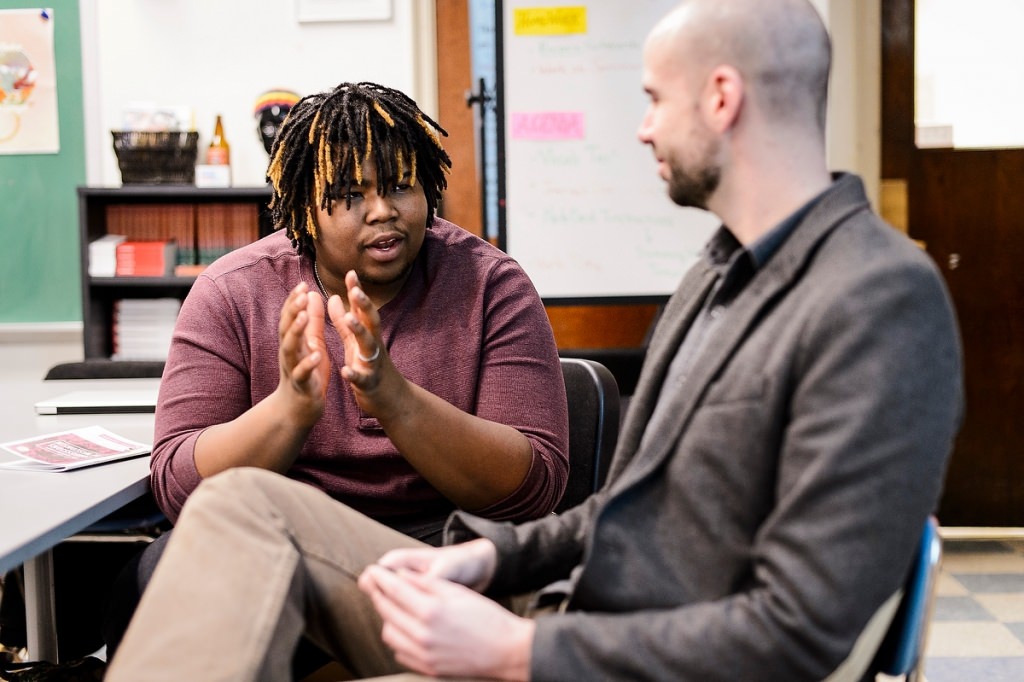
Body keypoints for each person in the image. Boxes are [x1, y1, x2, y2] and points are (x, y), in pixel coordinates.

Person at [106, 1, 964, 680]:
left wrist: (519, 653)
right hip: (572, 627)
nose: (642, 128)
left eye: (653, 100)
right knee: (234, 503)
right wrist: (483, 564)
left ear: (722, 99)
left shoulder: (877, 297)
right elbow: (625, 512)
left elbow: (798, 632)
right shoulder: (720, 272)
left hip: (588, 656)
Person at [100, 81, 569, 664]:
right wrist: (291, 409)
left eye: (402, 185)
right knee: (156, 573)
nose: (383, 211)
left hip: (449, 554)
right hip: (278, 545)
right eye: (351, 194)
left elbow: (535, 485)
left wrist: (394, 399)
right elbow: (179, 488)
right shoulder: (231, 291)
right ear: (303, 207)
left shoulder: (491, 285)